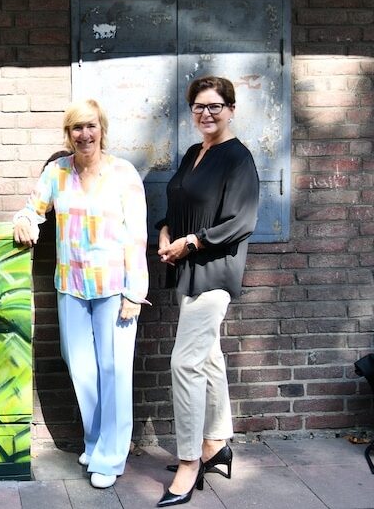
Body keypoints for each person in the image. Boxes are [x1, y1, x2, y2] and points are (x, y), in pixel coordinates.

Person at [12, 99, 149, 489]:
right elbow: (32, 210)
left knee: (114, 370)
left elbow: (136, 237)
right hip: (71, 286)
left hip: (115, 287)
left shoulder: (123, 174)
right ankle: (96, 441)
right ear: (68, 134)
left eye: (90, 126)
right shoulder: (56, 172)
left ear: (102, 128)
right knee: (82, 368)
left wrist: (133, 291)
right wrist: (25, 222)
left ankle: (111, 455)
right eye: (76, 128)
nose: (84, 135)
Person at [155, 76, 259, 507]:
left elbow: (241, 221)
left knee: (185, 363)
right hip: (186, 271)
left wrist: (192, 242)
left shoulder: (239, 159)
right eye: (199, 106)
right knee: (208, 358)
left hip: (214, 275)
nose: (207, 113)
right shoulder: (194, 153)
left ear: (231, 109)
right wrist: (164, 234)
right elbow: (176, 206)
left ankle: (188, 461)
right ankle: (217, 444)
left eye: (215, 106)